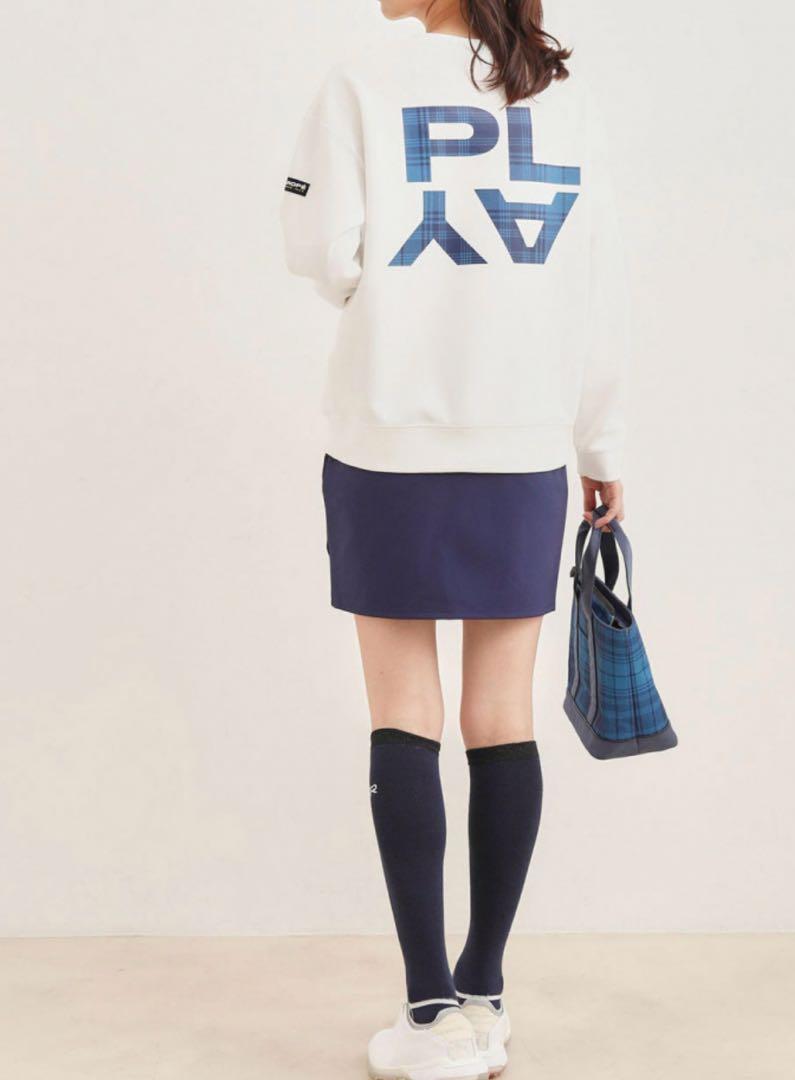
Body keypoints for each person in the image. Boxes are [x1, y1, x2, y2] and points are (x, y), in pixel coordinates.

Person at [282, 1, 628, 1076]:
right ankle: (484, 993)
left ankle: (429, 1012)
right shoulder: (562, 96)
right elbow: (592, 286)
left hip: (390, 430)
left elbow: (319, 252)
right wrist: (600, 445)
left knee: (403, 712)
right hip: (521, 436)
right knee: (500, 713)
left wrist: (391, 290)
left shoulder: (359, 80)